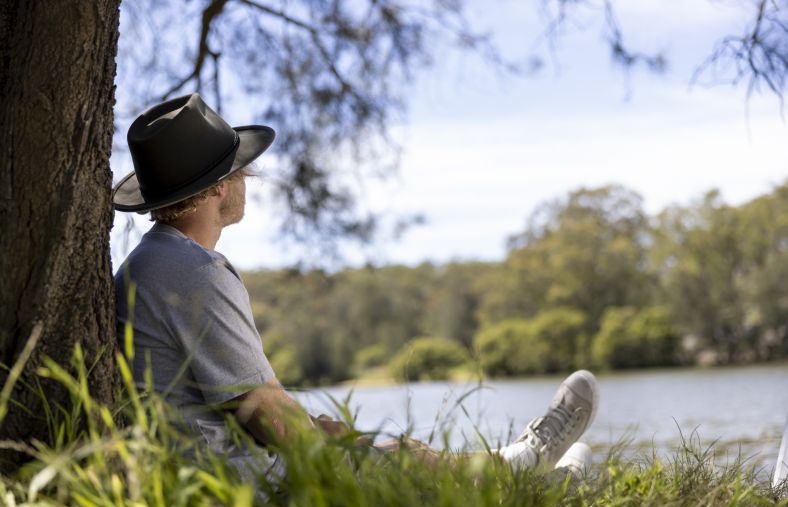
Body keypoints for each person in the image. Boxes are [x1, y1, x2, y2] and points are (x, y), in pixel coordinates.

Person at [112, 93, 599, 480]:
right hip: (231, 481)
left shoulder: (148, 263)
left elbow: (250, 402)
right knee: (405, 458)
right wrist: (340, 455)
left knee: (390, 451)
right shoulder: (194, 272)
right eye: (239, 168)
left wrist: (326, 434)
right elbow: (262, 410)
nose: (247, 178)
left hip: (202, 465)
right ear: (219, 185)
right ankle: (522, 466)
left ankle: (521, 473)